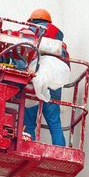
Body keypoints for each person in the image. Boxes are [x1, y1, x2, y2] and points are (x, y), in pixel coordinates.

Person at [22, 8, 69, 146]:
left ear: (31, 21)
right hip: (54, 80)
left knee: (29, 121)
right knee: (54, 121)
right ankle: (60, 150)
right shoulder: (58, 39)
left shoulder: (30, 32)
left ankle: (28, 147)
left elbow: (21, 54)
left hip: (34, 78)